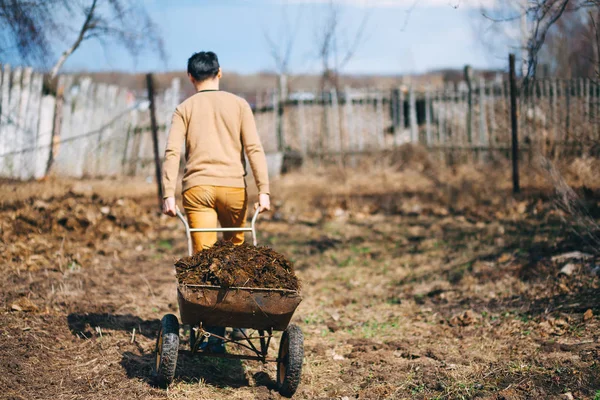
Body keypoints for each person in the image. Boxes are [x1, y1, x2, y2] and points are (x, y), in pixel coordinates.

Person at [161, 51, 270, 352]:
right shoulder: (238, 105)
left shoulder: (183, 108)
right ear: (219, 73)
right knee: (234, 255)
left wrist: (169, 194)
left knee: (205, 258)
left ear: (191, 78)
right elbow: (254, 149)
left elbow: (172, 153)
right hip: (234, 188)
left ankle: (213, 334)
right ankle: (232, 314)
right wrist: (264, 190)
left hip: (197, 189)